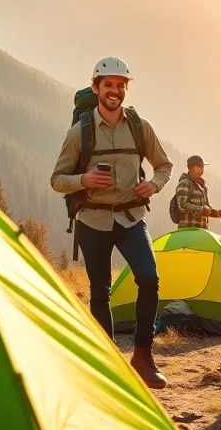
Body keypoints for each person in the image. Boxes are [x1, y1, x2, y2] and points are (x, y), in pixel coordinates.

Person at [50, 56, 174, 389]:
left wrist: (154, 185)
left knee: (149, 278)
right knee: (100, 291)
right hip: (93, 219)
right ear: (96, 88)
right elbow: (58, 179)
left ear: (126, 89)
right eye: (108, 85)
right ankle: (107, 365)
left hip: (132, 217)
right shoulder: (81, 132)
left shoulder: (139, 127)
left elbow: (164, 165)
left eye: (121, 86)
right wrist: (84, 180)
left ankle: (143, 356)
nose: (115, 91)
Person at [174, 155, 221, 230]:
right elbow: (182, 205)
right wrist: (201, 210)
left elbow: (206, 208)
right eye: (201, 166)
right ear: (194, 167)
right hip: (187, 231)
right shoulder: (184, 183)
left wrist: (216, 213)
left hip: (201, 231)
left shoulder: (201, 186)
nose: (203, 169)